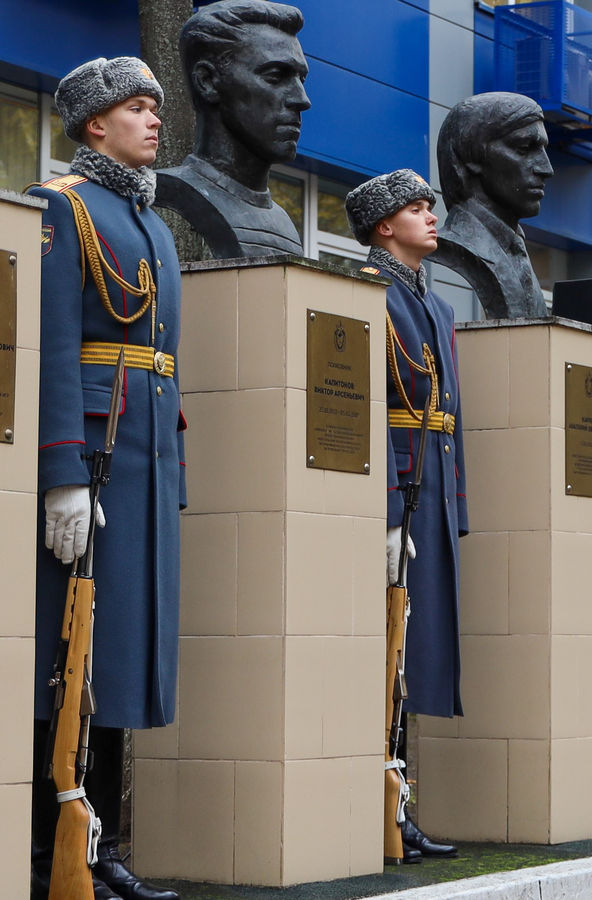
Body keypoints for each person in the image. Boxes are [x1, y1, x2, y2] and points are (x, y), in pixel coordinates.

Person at [29, 56, 183, 900]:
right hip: (93, 456)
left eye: (156, 108)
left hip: (146, 458)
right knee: (70, 657)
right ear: (95, 125)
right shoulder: (65, 207)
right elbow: (54, 343)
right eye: (137, 108)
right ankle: (54, 849)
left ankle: (108, 848)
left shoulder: (151, 225)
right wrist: (61, 473)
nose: (155, 120)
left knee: (122, 659)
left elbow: (161, 363)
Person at [347, 169, 467, 861]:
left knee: (411, 656)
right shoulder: (370, 289)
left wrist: (460, 508)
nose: (430, 217)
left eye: (429, 206)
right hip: (401, 483)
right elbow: (365, 411)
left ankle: (399, 802)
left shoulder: (438, 307)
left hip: (435, 482)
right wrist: (391, 511)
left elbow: (454, 417)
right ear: (384, 226)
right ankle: (383, 802)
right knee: (385, 650)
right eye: (416, 209)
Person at [155, 0, 310, 259]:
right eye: (274, 76)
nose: (302, 99)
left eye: (301, 79)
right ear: (208, 82)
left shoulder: (282, 223)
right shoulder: (167, 195)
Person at [432, 92, 554, 319]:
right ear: (471, 155)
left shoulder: (517, 251)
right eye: (524, 148)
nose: (546, 168)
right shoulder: (448, 250)